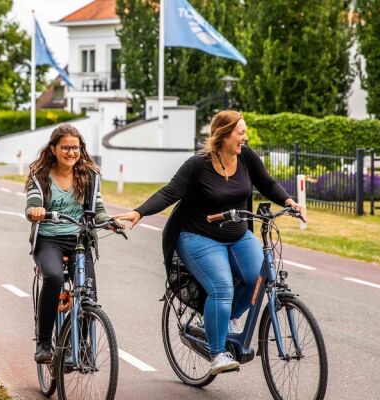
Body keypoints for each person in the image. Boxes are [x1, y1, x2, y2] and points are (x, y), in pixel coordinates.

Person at [115, 110, 304, 375]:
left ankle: (223, 318)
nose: (245, 138)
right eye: (240, 133)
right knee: (222, 287)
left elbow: (267, 183)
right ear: (224, 135)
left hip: (237, 234)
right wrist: (138, 212)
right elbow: (170, 192)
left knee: (259, 278)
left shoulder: (245, 157)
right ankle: (217, 354)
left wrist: (288, 201)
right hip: (198, 236)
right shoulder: (198, 164)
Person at [25, 123, 116, 363]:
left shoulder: (90, 176)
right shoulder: (40, 176)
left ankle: (81, 347)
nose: (71, 153)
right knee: (54, 277)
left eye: (75, 148)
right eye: (65, 148)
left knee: (88, 291)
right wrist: (35, 210)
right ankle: (44, 342)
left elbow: (98, 209)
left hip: (79, 240)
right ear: (53, 149)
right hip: (49, 240)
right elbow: (33, 200)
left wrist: (108, 222)